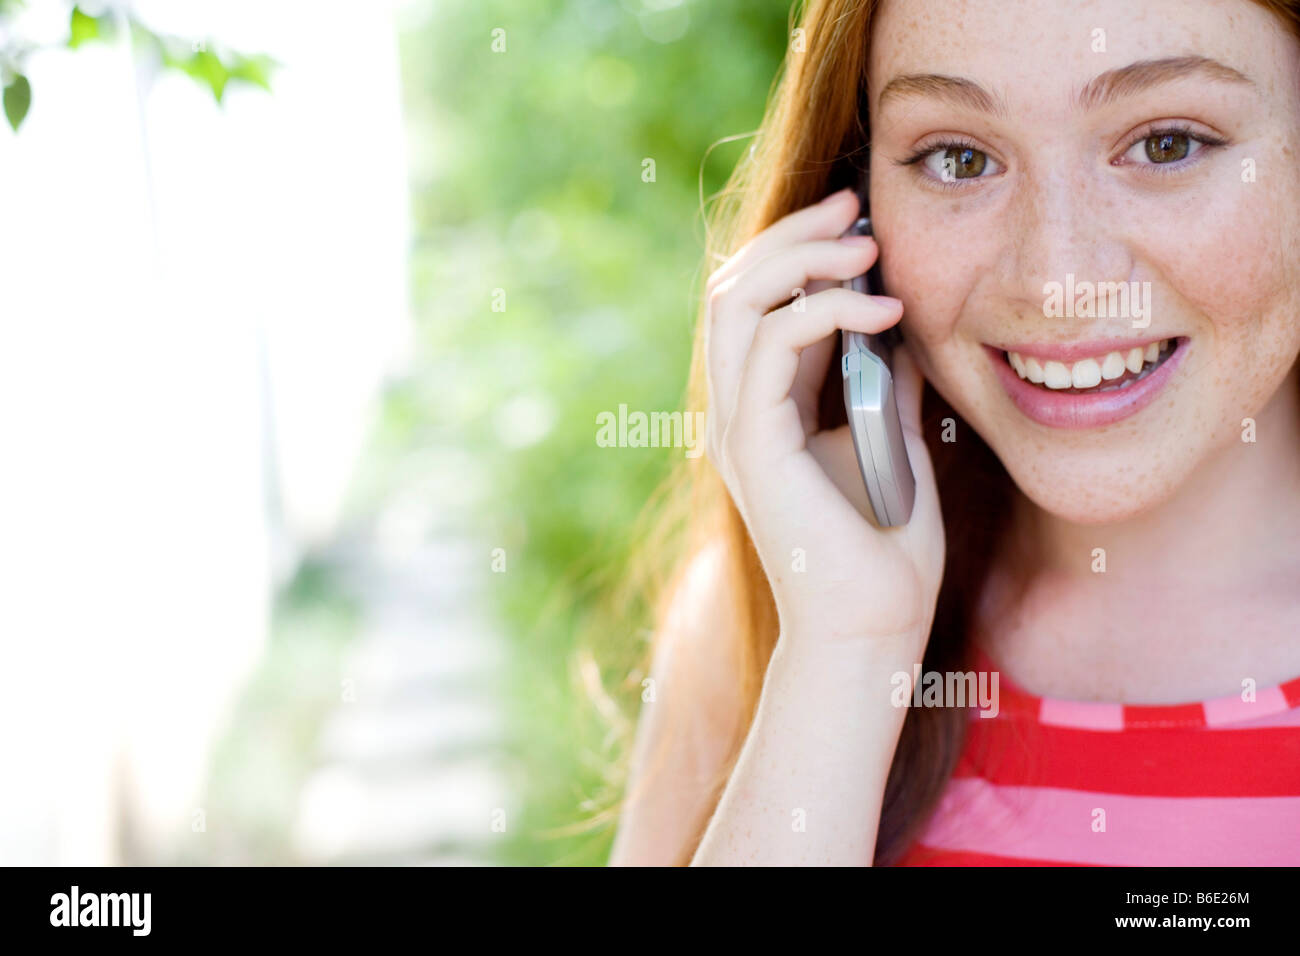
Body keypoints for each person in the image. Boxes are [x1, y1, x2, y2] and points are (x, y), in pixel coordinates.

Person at [609, 0, 1300, 866]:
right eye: (959, 158)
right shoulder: (777, 615)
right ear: (857, 213)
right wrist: (847, 656)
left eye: (1168, 143)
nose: (1058, 282)